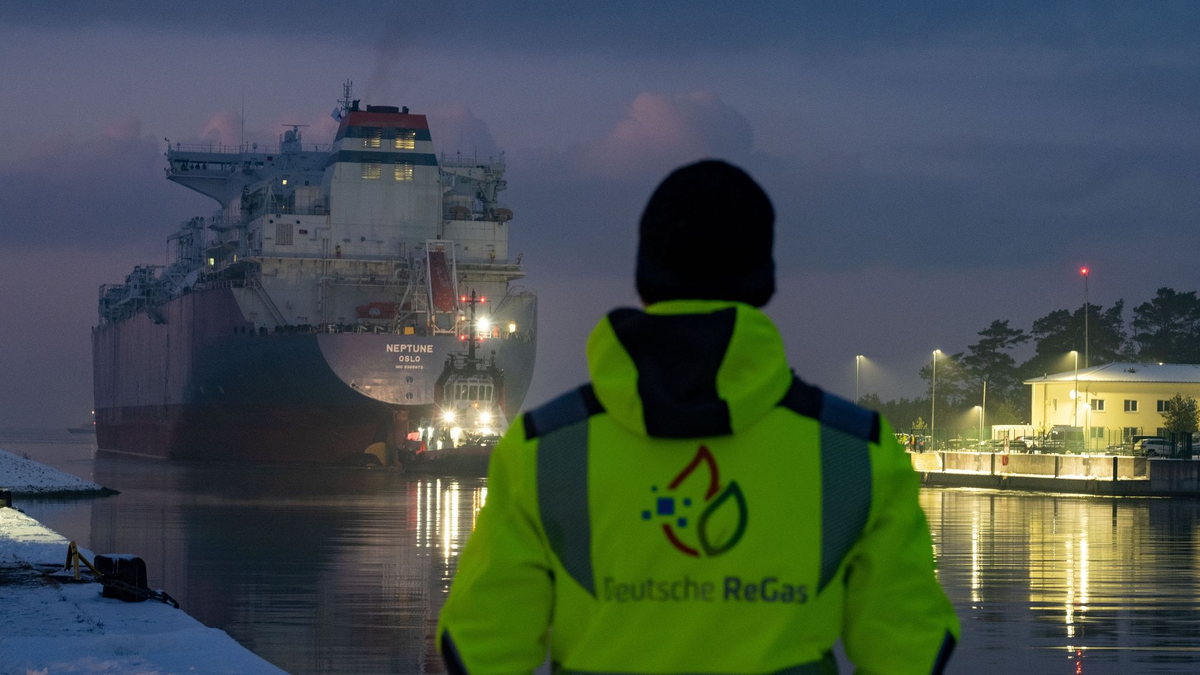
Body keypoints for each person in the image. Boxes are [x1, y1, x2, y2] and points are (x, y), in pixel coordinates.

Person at [438, 160, 959, 675]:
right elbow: (913, 651)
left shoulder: (541, 453)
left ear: (644, 280)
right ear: (766, 285)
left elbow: (478, 650)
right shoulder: (857, 456)